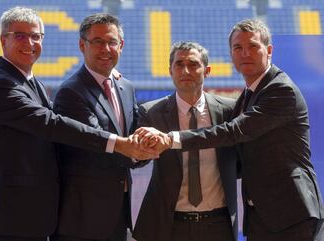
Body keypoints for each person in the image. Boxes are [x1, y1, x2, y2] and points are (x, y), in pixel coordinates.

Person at [0, 7, 155, 241]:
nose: (29, 42)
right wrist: (118, 143)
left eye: (36, 36)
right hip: (6, 218)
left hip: (31, 217)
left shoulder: (29, 81)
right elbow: (51, 123)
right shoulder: (1, 85)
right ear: (3, 40)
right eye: (20, 36)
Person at [135, 19, 324, 241]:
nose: (245, 53)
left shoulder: (280, 90)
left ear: (269, 50)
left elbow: (233, 132)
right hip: (260, 218)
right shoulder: (248, 95)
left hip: (291, 214)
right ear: (231, 55)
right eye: (238, 48)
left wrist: (171, 139)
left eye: (253, 46)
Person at [132, 42, 239, 241]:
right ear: (170, 71)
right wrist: (141, 148)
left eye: (193, 64)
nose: (186, 70)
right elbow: (137, 160)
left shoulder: (229, 111)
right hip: (169, 225)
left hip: (219, 225)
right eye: (179, 64)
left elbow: (243, 161)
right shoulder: (152, 113)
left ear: (207, 71)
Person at [51, 13, 138, 241]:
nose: (105, 49)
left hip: (119, 215)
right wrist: (136, 150)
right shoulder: (70, 92)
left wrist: (146, 147)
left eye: (112, 42)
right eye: (97, 42)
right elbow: (95, 143)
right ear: (82, 45)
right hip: (82, 222)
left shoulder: (126, 87)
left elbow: (133, 136)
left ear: (122, 45)